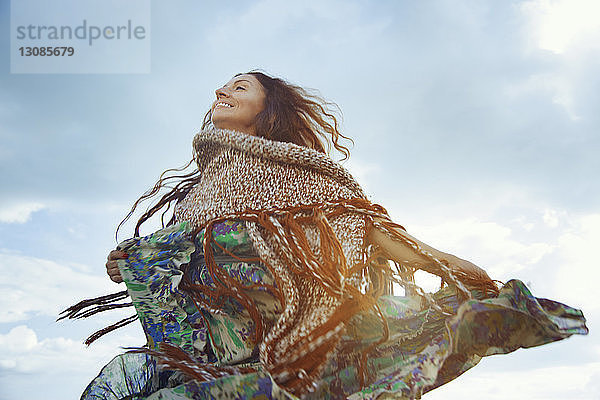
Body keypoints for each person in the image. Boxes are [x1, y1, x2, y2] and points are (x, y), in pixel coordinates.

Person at [67, 71, 587, 400]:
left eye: (239, 86)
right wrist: (135, 260)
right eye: (221, 86)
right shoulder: (204, 190)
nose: (220, 91)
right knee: (121, 378)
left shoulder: (307, 175)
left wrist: (457, 270)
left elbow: (367, 230)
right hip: (201, 349)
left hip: (292, 353)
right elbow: (182, 262)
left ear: (268, 110)